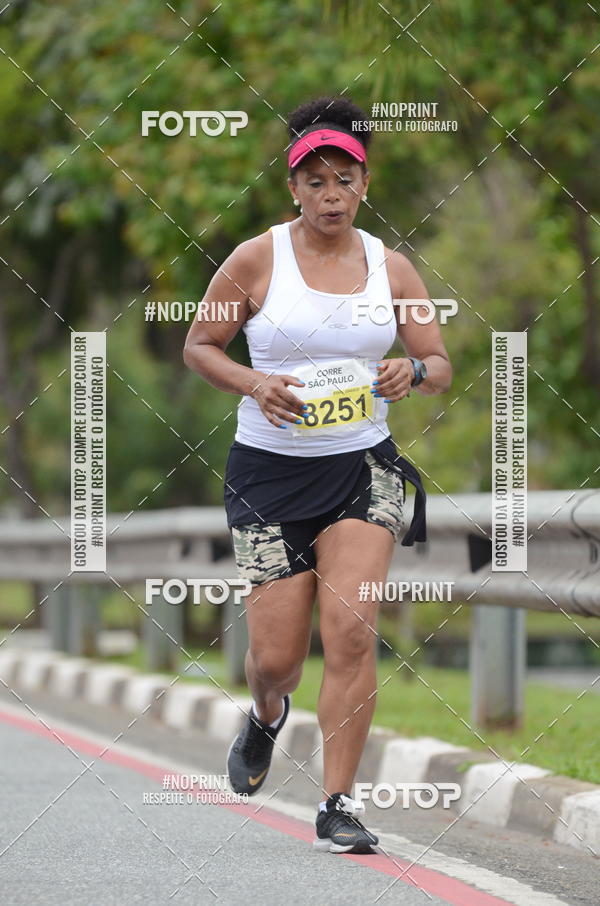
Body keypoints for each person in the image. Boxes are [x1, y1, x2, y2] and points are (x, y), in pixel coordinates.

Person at [183, 95, 452, 854]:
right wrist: (252, 383)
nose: (331, 195)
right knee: (276, 658)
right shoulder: (256, 258)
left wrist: (412, 369)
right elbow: (200, 345)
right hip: (268, 476)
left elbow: (439, 362)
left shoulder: (390, 266)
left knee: (352, 632)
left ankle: (337, 802)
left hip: (362, 470)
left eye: (345, 179)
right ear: (292, 185)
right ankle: (267, 713)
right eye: (316, 181)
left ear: (365, 182)